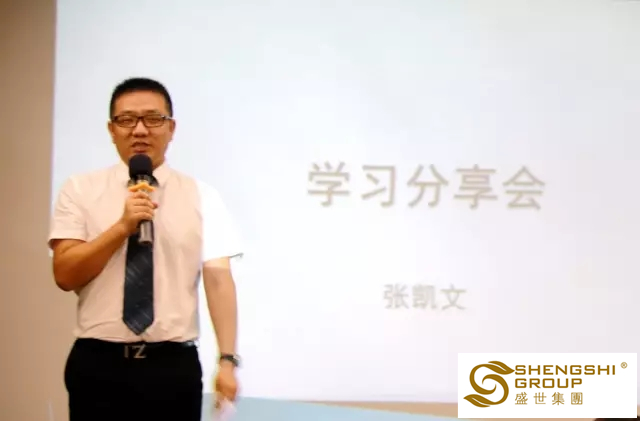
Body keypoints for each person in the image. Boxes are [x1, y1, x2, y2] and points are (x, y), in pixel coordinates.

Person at [48, 77, 243, 421]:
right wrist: (122, 227)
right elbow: (65, 274)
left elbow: (218, 280)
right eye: (127, 120)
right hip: (98, 365)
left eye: (153, 119)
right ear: (111, 130)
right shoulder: (79, 189)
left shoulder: (203, 196)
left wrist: (227, 360)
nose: (139, 130)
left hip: (172, 367)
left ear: (171, 128)